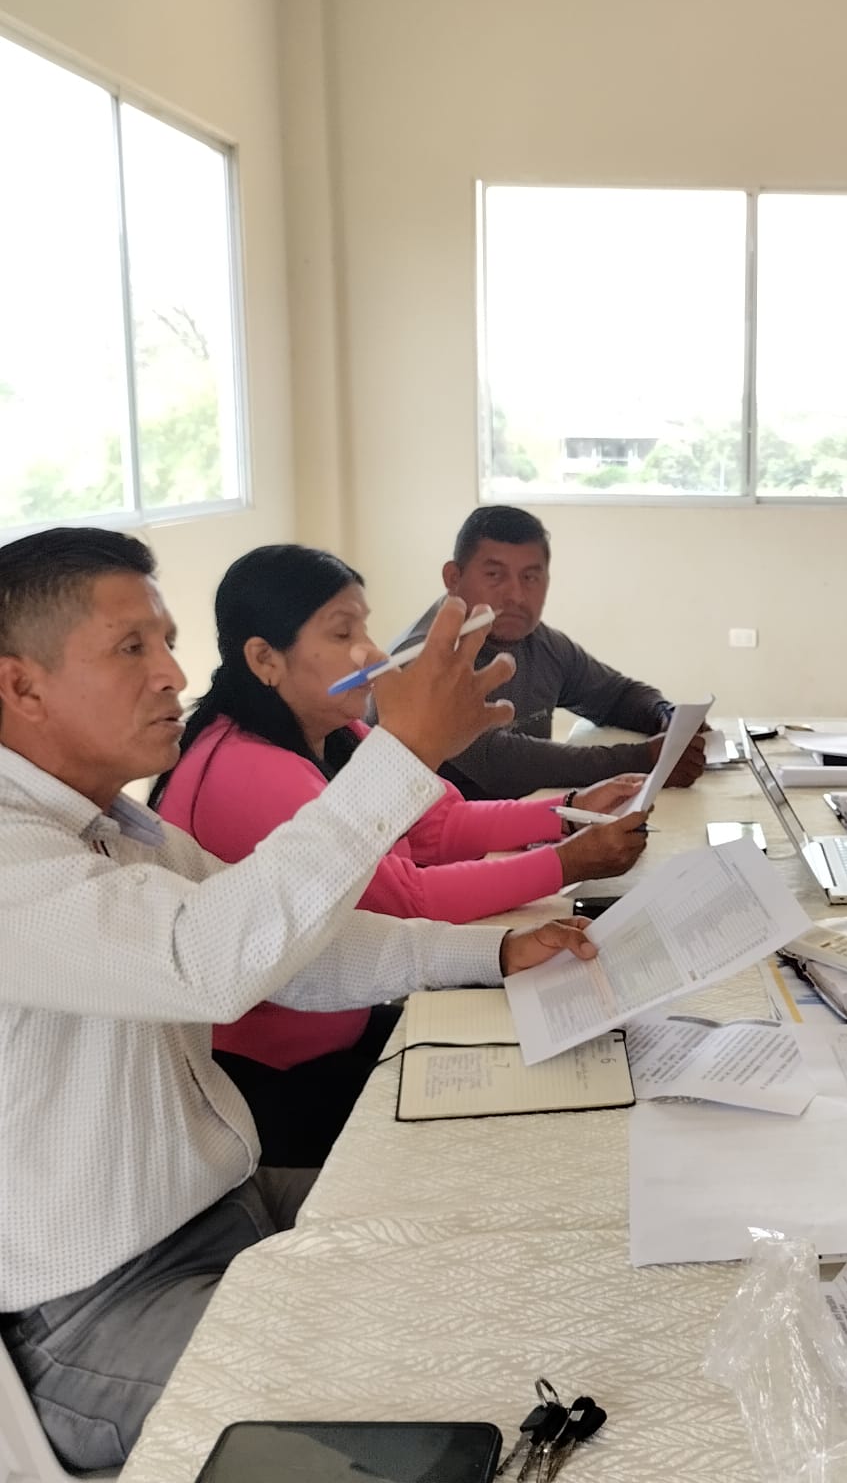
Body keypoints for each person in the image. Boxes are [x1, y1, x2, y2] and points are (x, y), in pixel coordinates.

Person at [0, 527, 597, 1471]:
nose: (171, 674)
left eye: (167, 642)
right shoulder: (13, 854)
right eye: (131, 648)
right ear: (20, 686)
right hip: (95, 1308)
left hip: (224, 1209)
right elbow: (209, 961)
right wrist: (402, 754)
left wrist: (490, 953)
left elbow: (291, 949)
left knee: (491, 1244)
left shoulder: (112, 824)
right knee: (442, 1382)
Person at [151, 544, 650, 1167]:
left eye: (365, 628)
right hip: (276, 1082)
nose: (373, 654)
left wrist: (570, 809)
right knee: (511, 1120)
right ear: (265, 659)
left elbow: (439, 823)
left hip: (346, 1024)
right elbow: (403, 898)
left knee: (546, 1053)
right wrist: (567, 863)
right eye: (342, 634)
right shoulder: (248, 768)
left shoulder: (335, 729)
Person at [392, 506, 706, 798]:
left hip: (522, 823)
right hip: (432, 839)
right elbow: (501, 765)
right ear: (453, 578)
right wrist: (642, 759)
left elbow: (615, 695)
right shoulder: (417, 662)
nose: (516, 596)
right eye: (494, 575)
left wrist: (667, 716)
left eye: (530, 577)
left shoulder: (540, 642)